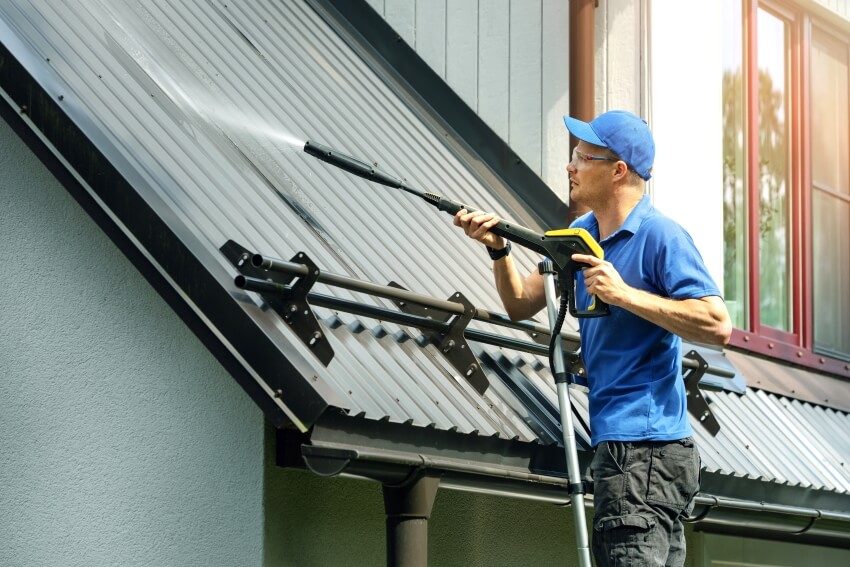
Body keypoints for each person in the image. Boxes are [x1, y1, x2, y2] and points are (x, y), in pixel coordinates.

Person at [453, 110, 732, 567]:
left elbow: (716, 324)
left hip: (644, 452)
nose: (570, 166)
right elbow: (521, 303)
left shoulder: (660, 236)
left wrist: (624, 295)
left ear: (617, 170)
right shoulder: (581, 235)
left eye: (582, 157)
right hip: (630, 451)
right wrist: (497, 248)